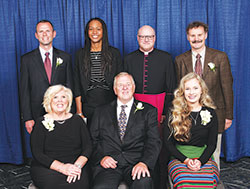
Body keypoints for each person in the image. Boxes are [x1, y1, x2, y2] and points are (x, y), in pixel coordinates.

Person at [175, 21, 233, 169]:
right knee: (191, 149)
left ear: (206, 35)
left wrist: (229, 115)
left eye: (199, 35)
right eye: (192, 35)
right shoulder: (180, 60)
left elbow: (227, 87)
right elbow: (179, 90)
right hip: (188, 115)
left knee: (214, 150)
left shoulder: (220, 57)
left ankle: (214, 179)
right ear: (187, 37)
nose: (196, 39)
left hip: (216, 112)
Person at [124, 25, 176, 189]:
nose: (146, 40)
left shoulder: (166, 58)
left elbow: (171, 88)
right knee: (137, 144)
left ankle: (160, 184)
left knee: (159, 147)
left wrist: (165, 112)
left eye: (150, 36)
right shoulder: (129, 59)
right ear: (137, 38)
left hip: (159, 107)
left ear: (155, 38)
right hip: (135, 108)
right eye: (142, 36)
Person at [90, 72, 161, 189]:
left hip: (136, 163)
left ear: (133, 87)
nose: (125, 88)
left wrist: (144, 163)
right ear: (115, 89)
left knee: (143, 183)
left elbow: (154, 141)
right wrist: (102, 158)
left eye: (128, 84)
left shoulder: (148, 111)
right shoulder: (100, 111)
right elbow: (92, 140)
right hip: (109, 165)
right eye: (120, 85)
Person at [164, 73, 219, 188]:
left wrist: (200, 161)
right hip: (179, 157)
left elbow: (212, 144)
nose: (191, 92)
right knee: (184, 181)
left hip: (204, 157)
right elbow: (168, 143)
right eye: (187, 89)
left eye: (195, 88)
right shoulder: (173, 112)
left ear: (201, 90)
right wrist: (186, 160)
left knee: (207, 182)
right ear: (182, 92)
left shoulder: (211, 113)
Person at [30, 85, 92, 189]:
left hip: (75, 164)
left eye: (63, 97)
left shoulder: (78, 120)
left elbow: (88, 147)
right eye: (55, 97)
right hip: (48, 166)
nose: (60, 101)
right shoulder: (41, 122)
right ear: (49, 101)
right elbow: (37, 153)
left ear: (68, 101)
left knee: (80, 184)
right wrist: (62, 167)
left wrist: (76, 167)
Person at [20, 20, 74, 134]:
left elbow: (70, 87)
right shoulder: (27, 60)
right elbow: (24, 91)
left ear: (54, 34)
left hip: (61, 111)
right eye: (41, 31)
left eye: (48, 31)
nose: (44, 34)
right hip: (36, 113)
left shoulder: (65, 57)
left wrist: (70, 113)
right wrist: (27, 117)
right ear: (36, 35)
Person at [74, 17, 123, 126]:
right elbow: (76, 85)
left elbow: (120, 82)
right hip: (88, 106)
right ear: (87, 32)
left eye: (98, 29)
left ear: (103, 32)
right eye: (91, 29)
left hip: (109, 105)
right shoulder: (80, 55)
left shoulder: (114, 53)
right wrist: (79, 111)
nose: (94, 32)